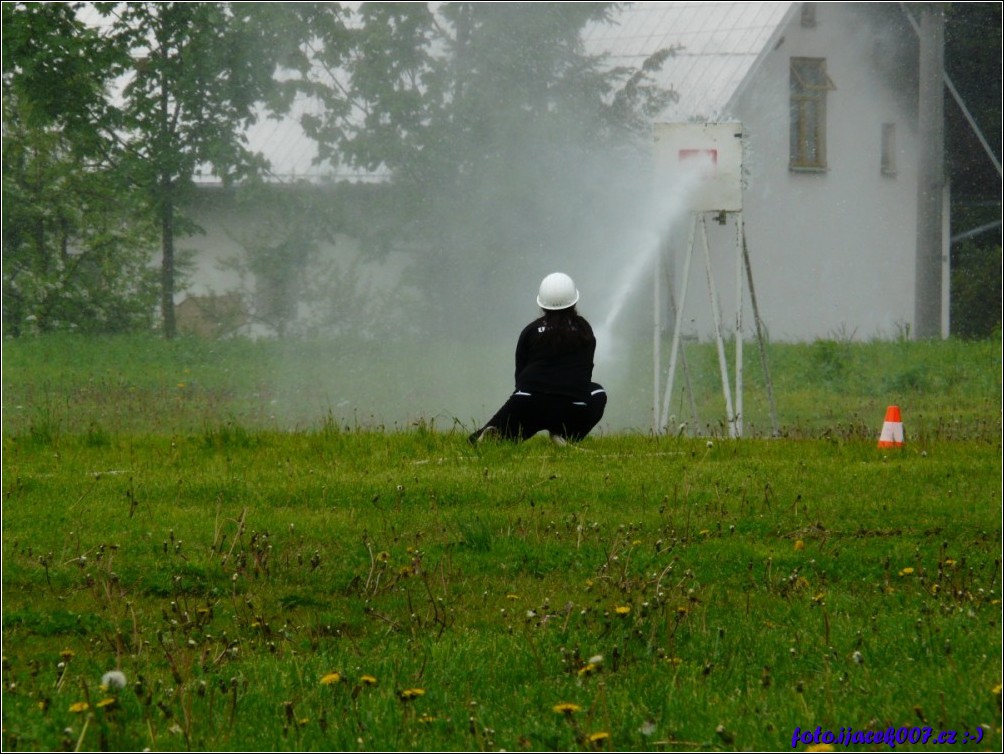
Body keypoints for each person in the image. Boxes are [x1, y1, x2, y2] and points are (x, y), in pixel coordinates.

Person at [469, 272, 607, 445]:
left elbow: (520, 374)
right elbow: (586, 371)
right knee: (598, 392)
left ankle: (497, 435)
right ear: (574, 301)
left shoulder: (531, 330)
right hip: (570, 405)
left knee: (475, 441)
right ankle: (566, 435)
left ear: (542, 304)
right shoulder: (584, 329)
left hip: (527, 401)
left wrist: (527, 401)